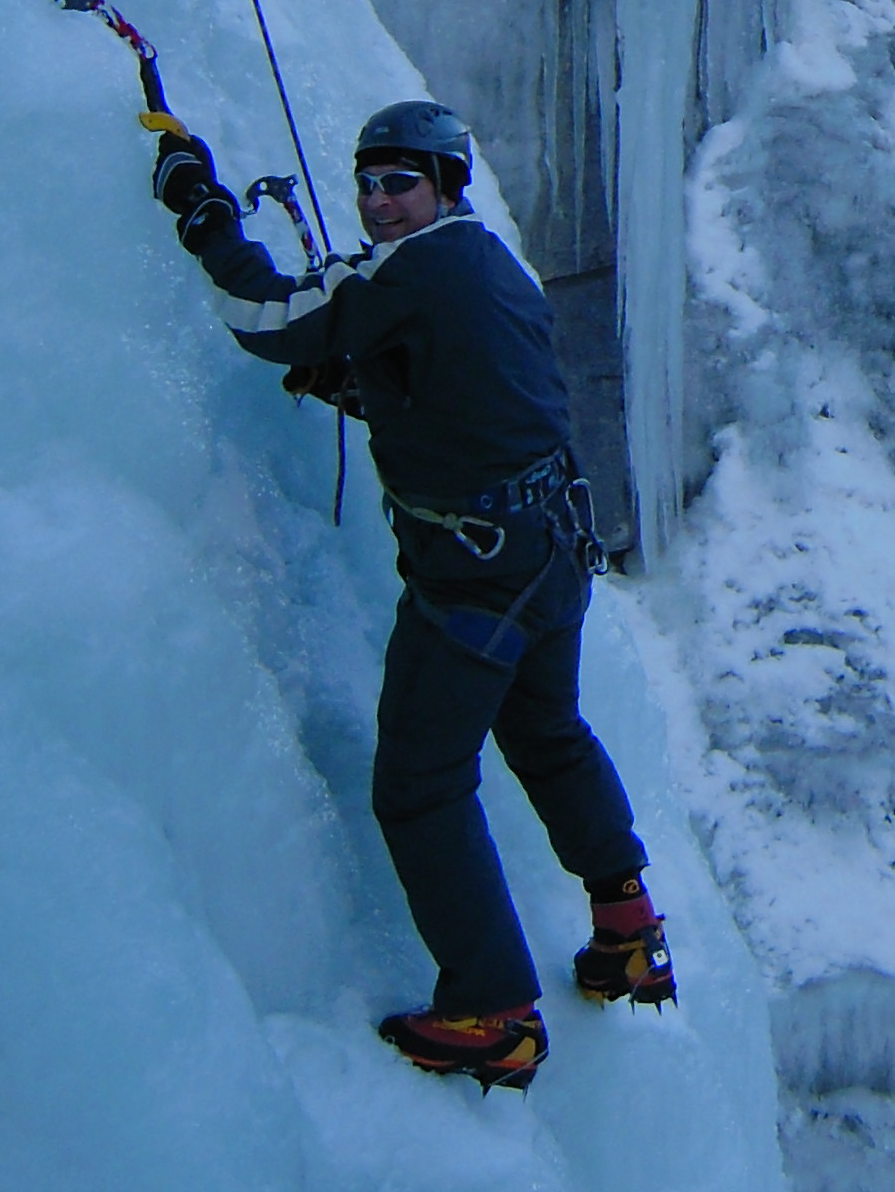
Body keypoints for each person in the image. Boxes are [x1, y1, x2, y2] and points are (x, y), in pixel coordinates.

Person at [152, 97, 673, 1091]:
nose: (378, 201)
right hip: (552, 548)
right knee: (547, 734)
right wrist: (370, 385)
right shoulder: (486, 263)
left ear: (443, 188)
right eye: (369, 183)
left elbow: (268, 320)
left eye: (401, 183)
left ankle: (493, 1010)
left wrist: (205, 218)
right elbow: (472, 382)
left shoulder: (408, 267)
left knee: (420, 785)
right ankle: (627, 932)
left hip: (476, 571)